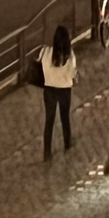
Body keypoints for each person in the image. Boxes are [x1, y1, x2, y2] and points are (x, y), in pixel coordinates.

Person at [40, 23, 76, 159]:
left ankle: (47, 152)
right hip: (65, 90)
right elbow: (72, 74)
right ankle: (67, 144)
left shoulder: (46, 52)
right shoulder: (70, 56)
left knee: (49, 121)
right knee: (65, 118)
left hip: (49, 89)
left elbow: (41, 65)